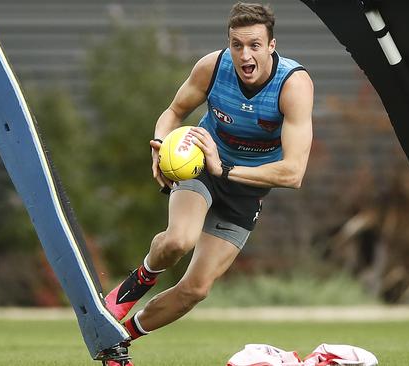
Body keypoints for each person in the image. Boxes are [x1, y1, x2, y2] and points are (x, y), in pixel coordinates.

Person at [105, 0, 314, 350]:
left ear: (272, 46)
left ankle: (118, 339)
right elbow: (174, 111)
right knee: (178, 241)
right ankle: (129, 290)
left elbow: (293, 173)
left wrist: (228, 168)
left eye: (254, 46)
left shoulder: (293, 85)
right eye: (237, 45)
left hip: (246, 186)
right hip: (200, 165)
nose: (245, 55)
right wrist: (160, 144)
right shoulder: (212, 67)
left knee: (196, 289)